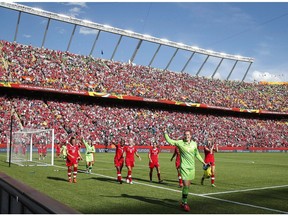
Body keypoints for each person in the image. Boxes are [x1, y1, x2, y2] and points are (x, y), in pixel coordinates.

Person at [164, 129, 206, 212]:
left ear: (191, 135)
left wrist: (203, 162)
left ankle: (183, 202)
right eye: (185, 134)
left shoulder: (194, 144)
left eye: (188, 134)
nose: (187, 136)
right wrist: (165, 133)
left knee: (187, 186)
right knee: (186, 185)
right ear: (184, 135)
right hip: (184, 167)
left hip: (192, 168)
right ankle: (185, 203)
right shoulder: (180, 142)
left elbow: (196, 154)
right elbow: (169, 141)